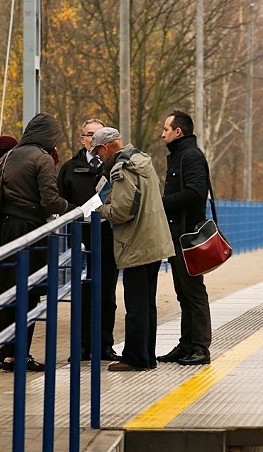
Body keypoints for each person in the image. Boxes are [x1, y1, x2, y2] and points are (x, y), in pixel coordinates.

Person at [0, 112, 74, 372]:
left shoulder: (10, 155)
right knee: (28, 294)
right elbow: (50, 201)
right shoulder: (42, 159)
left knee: (8, 292)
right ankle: (19, 355)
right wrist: (72, 207)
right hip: (30, 232)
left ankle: (5, 352)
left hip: (5, 231)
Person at [91, 127, 174, 371]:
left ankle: (135, 357)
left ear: (106, 148)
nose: (99, 157)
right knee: (147, 303)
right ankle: (146, 355)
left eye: (98, 152)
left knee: (136, 304)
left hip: (136, 243)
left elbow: (122, 210)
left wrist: (99, 210)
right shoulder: (141, 161)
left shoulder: (122, 169)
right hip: (154, 241)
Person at [57, 118, 120, 361]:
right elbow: (59, 201)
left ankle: (105, 344)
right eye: (89, 134)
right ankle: (82, 346)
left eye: (98, 134)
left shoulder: (114, 166)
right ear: (82, 138)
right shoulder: (70, 168)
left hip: (108, 237)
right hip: (81, 240)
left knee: (107, 293)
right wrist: (77, 212)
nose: (93, 138)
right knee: (83, 293)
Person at [158, 110, 212, 366]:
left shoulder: (190, 156)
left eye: (166, 129)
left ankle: (201, 348)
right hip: (177, 234)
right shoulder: (179, 156)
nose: (162, 134)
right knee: (183, 292)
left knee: (193, 292)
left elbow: (196, 192)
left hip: (188, 236)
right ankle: (186, 345)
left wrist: (161, 204)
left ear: (178, 131)